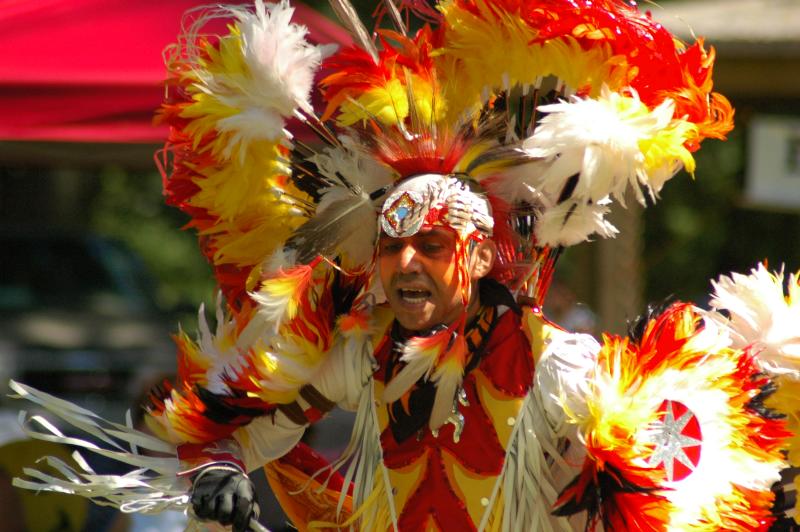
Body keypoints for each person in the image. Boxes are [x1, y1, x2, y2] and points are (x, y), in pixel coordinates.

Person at [12, 0, 800, 530]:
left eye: (430, 247)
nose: (403, 267)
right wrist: (219, 468)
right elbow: (236, 423)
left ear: (483, 255)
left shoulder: (565, 374)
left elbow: (679, 480)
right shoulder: (365, 354)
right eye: (391, 248)